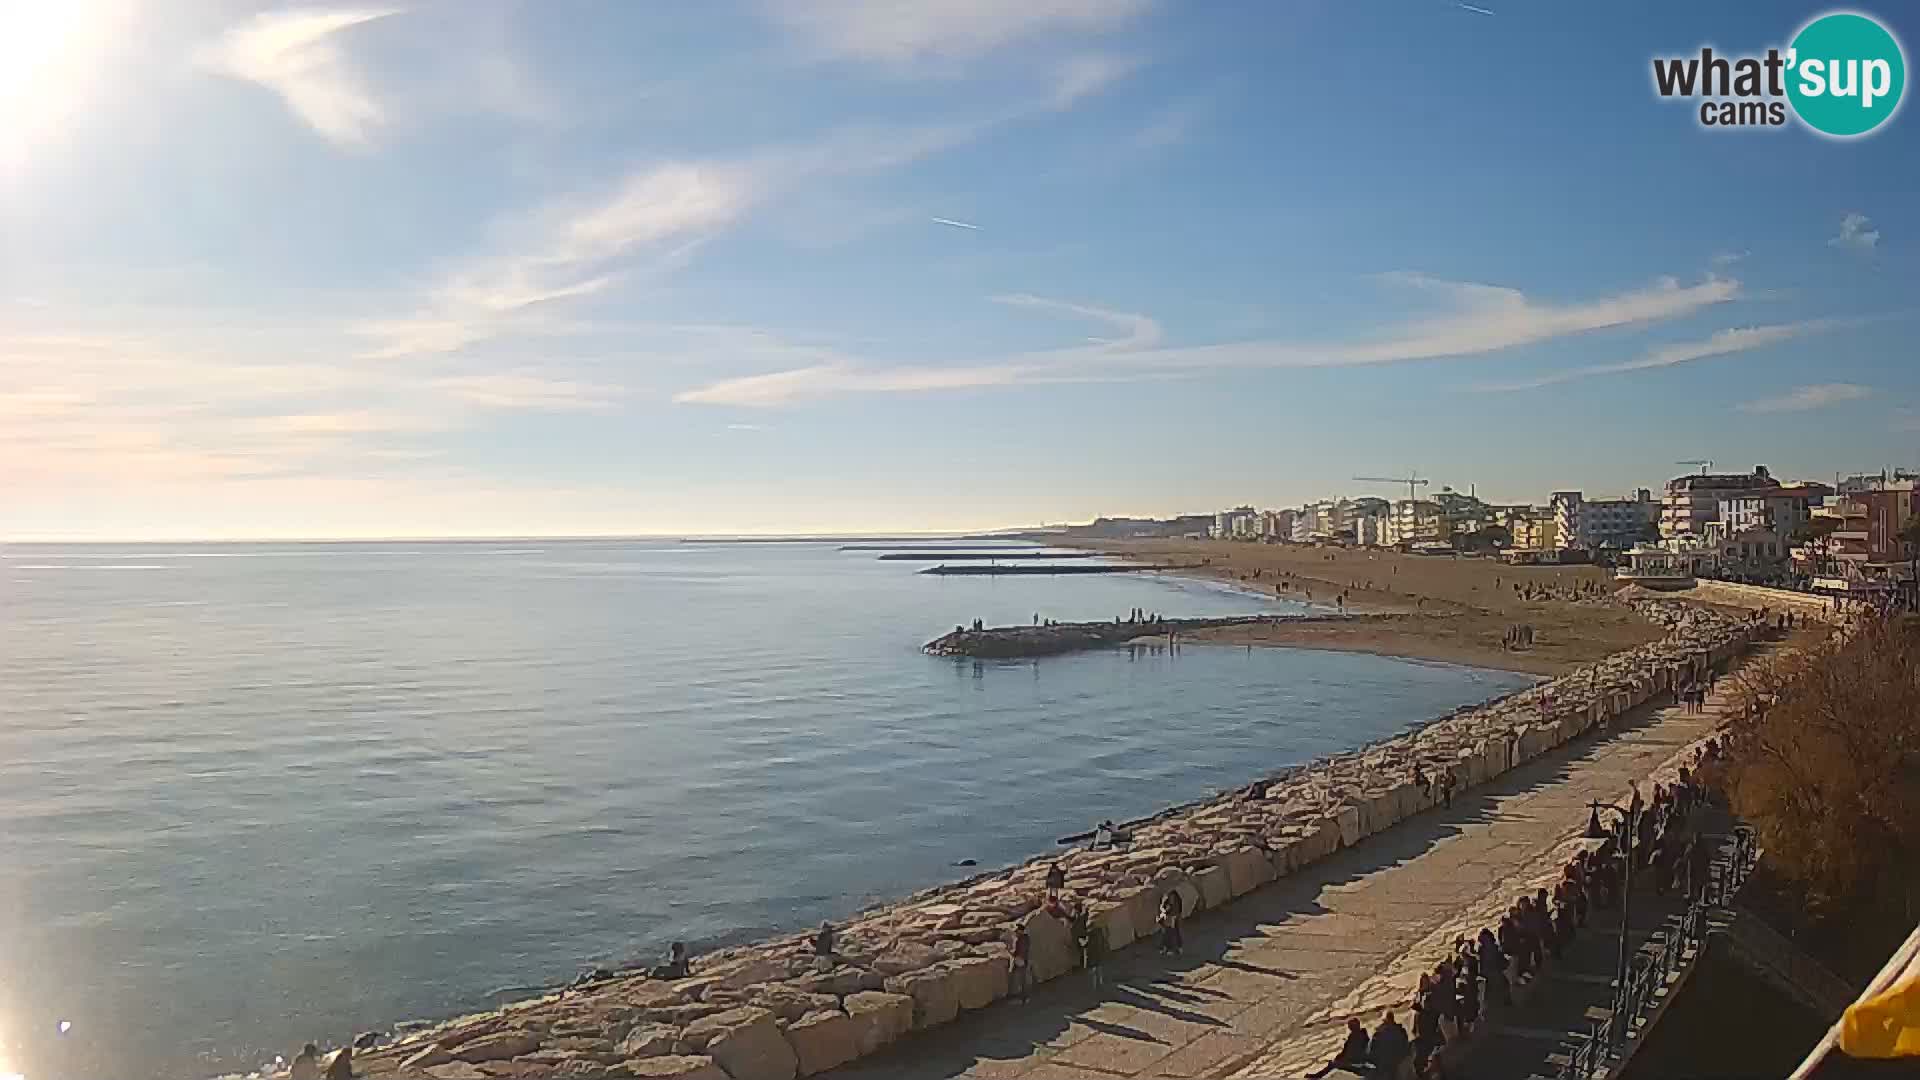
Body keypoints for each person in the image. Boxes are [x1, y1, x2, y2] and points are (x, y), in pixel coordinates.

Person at [1306, 1017, 1372, 1078]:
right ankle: (1317, 1076)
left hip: (1355, 1063)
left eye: (1351, 1026)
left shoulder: (1356, 1037)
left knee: (1333, 1065)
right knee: (1334, 1063)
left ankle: (1317, 1077)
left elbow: (1351, 1052)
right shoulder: (1361, 1035)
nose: (1350, 1027)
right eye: (1350, 1026)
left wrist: (1340, 1060)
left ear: (1356, 1026)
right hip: (1357, 1062)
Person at [1370, 1010, 1412, 1077]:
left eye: (1384, 1021)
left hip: (1387, 1065)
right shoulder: (1401, 1031)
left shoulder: (1379, 1033)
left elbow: (1373, 1051)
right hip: (1396, 1064)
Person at [1009, 924, 1033, 1001]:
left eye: (1017, 931)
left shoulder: (1022, 939)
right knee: (1022, 979)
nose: (1016, 933)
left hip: (1021, 960)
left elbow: (1021, 951)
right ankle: (1023, 995)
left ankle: (1024, 997)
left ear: (1020, 931)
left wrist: (1014, 955)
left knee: (1022, 979)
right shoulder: (1024, 938)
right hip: (1022, 960)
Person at [1158, 888, 1185, 956]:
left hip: (1173, 916)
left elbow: (1170, 907)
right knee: (1171, 932)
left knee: (1171, 932)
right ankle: (1171, 948)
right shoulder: (1171, 896)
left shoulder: (1172, 896)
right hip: (1172, 916)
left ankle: (1171, 948)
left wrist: (1164, 913)